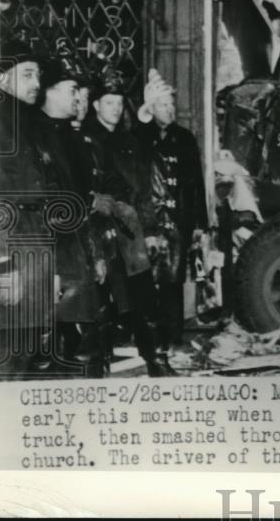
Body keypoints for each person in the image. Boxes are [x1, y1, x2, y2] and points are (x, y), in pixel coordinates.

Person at [81, 68, 175, 376]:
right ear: (96, 106)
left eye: (119, 103)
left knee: (145, 295)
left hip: (130, 230)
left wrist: (149, 229)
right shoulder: (85, 140)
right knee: (101, 301)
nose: (116, 108)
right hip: (100, 230)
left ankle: (157, 360)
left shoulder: (129, 140)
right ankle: (97, 367)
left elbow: (143, 187)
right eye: (109, 103)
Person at [31, 55, 107, 377]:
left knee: (84, 347)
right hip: (53, 261)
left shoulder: (73, 138)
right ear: (50, 91)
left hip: (78, 258)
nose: (78, 97)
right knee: (51, 352)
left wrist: (97, 253)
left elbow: (86, 203)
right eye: (71, 88)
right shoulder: (31, 137)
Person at [135, 69, 208, 351]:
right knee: (146, 282)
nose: (170, 110)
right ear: (151, 108)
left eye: (172, 105)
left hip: (179, 220)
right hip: (150, 220)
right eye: (163, 105)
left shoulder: (185, 139)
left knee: (173, 281)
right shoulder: (140, 138)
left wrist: (200, 222)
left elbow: (196, 183)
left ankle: (174, 337)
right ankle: (150, 339)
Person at [0, 37, 52, 378]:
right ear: (3, 78)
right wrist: (3, 266)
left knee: (25, 349)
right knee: (8, 358)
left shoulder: (26, 122)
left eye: (39, 76)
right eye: (28, 74)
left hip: (33, 248)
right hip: (13, 249)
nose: (37, 84)